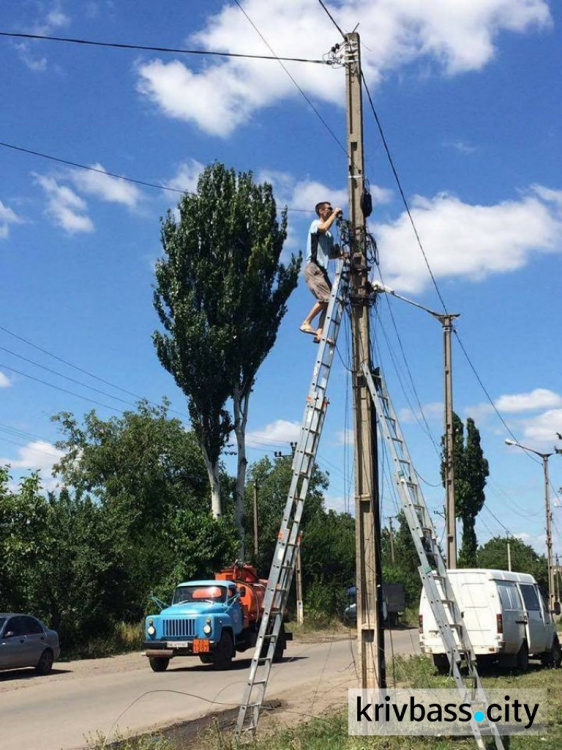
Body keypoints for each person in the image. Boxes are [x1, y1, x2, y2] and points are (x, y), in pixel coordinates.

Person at [300, 201, 343, 342]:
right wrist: (335, 214)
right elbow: (323, 227)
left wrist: (342, 254)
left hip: (322, 271)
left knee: (331, 301)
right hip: (313, 268)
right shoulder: (315, 224)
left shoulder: (329, 235)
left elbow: (330, 254)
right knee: (325, 298)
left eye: (332, 209)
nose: (331, 210)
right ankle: (306, 322)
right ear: (321, 211)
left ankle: (320, 333)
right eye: (329, 209)